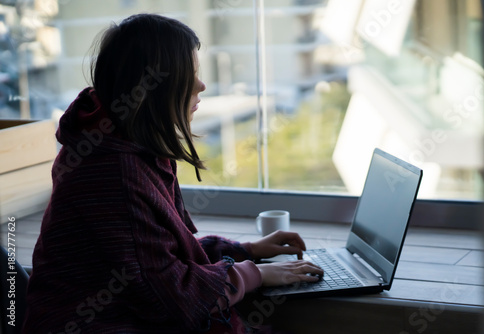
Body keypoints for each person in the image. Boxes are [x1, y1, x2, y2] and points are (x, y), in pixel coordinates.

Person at [22, 13, 323, 334]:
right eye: (189, 74)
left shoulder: (122, 144)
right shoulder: (114, 173)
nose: (201, 85)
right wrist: (255, 274)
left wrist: (246, 250)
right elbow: (170, 297)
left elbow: (158, 257)